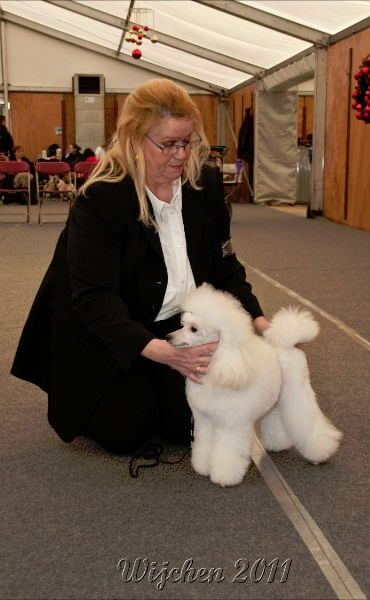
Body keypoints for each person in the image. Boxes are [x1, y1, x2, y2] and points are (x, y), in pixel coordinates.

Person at [11, 79, 271, 455]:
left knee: (184, 427)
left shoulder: (206, 186)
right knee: (126, 432)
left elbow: (225, 267)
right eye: (168, 144)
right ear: (134, 140)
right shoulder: (100, 199)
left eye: (188, 141)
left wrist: (260, 322)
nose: (181, 154)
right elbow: (95, 299)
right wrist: (162, 353)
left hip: (173, 325)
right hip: (107, 331)